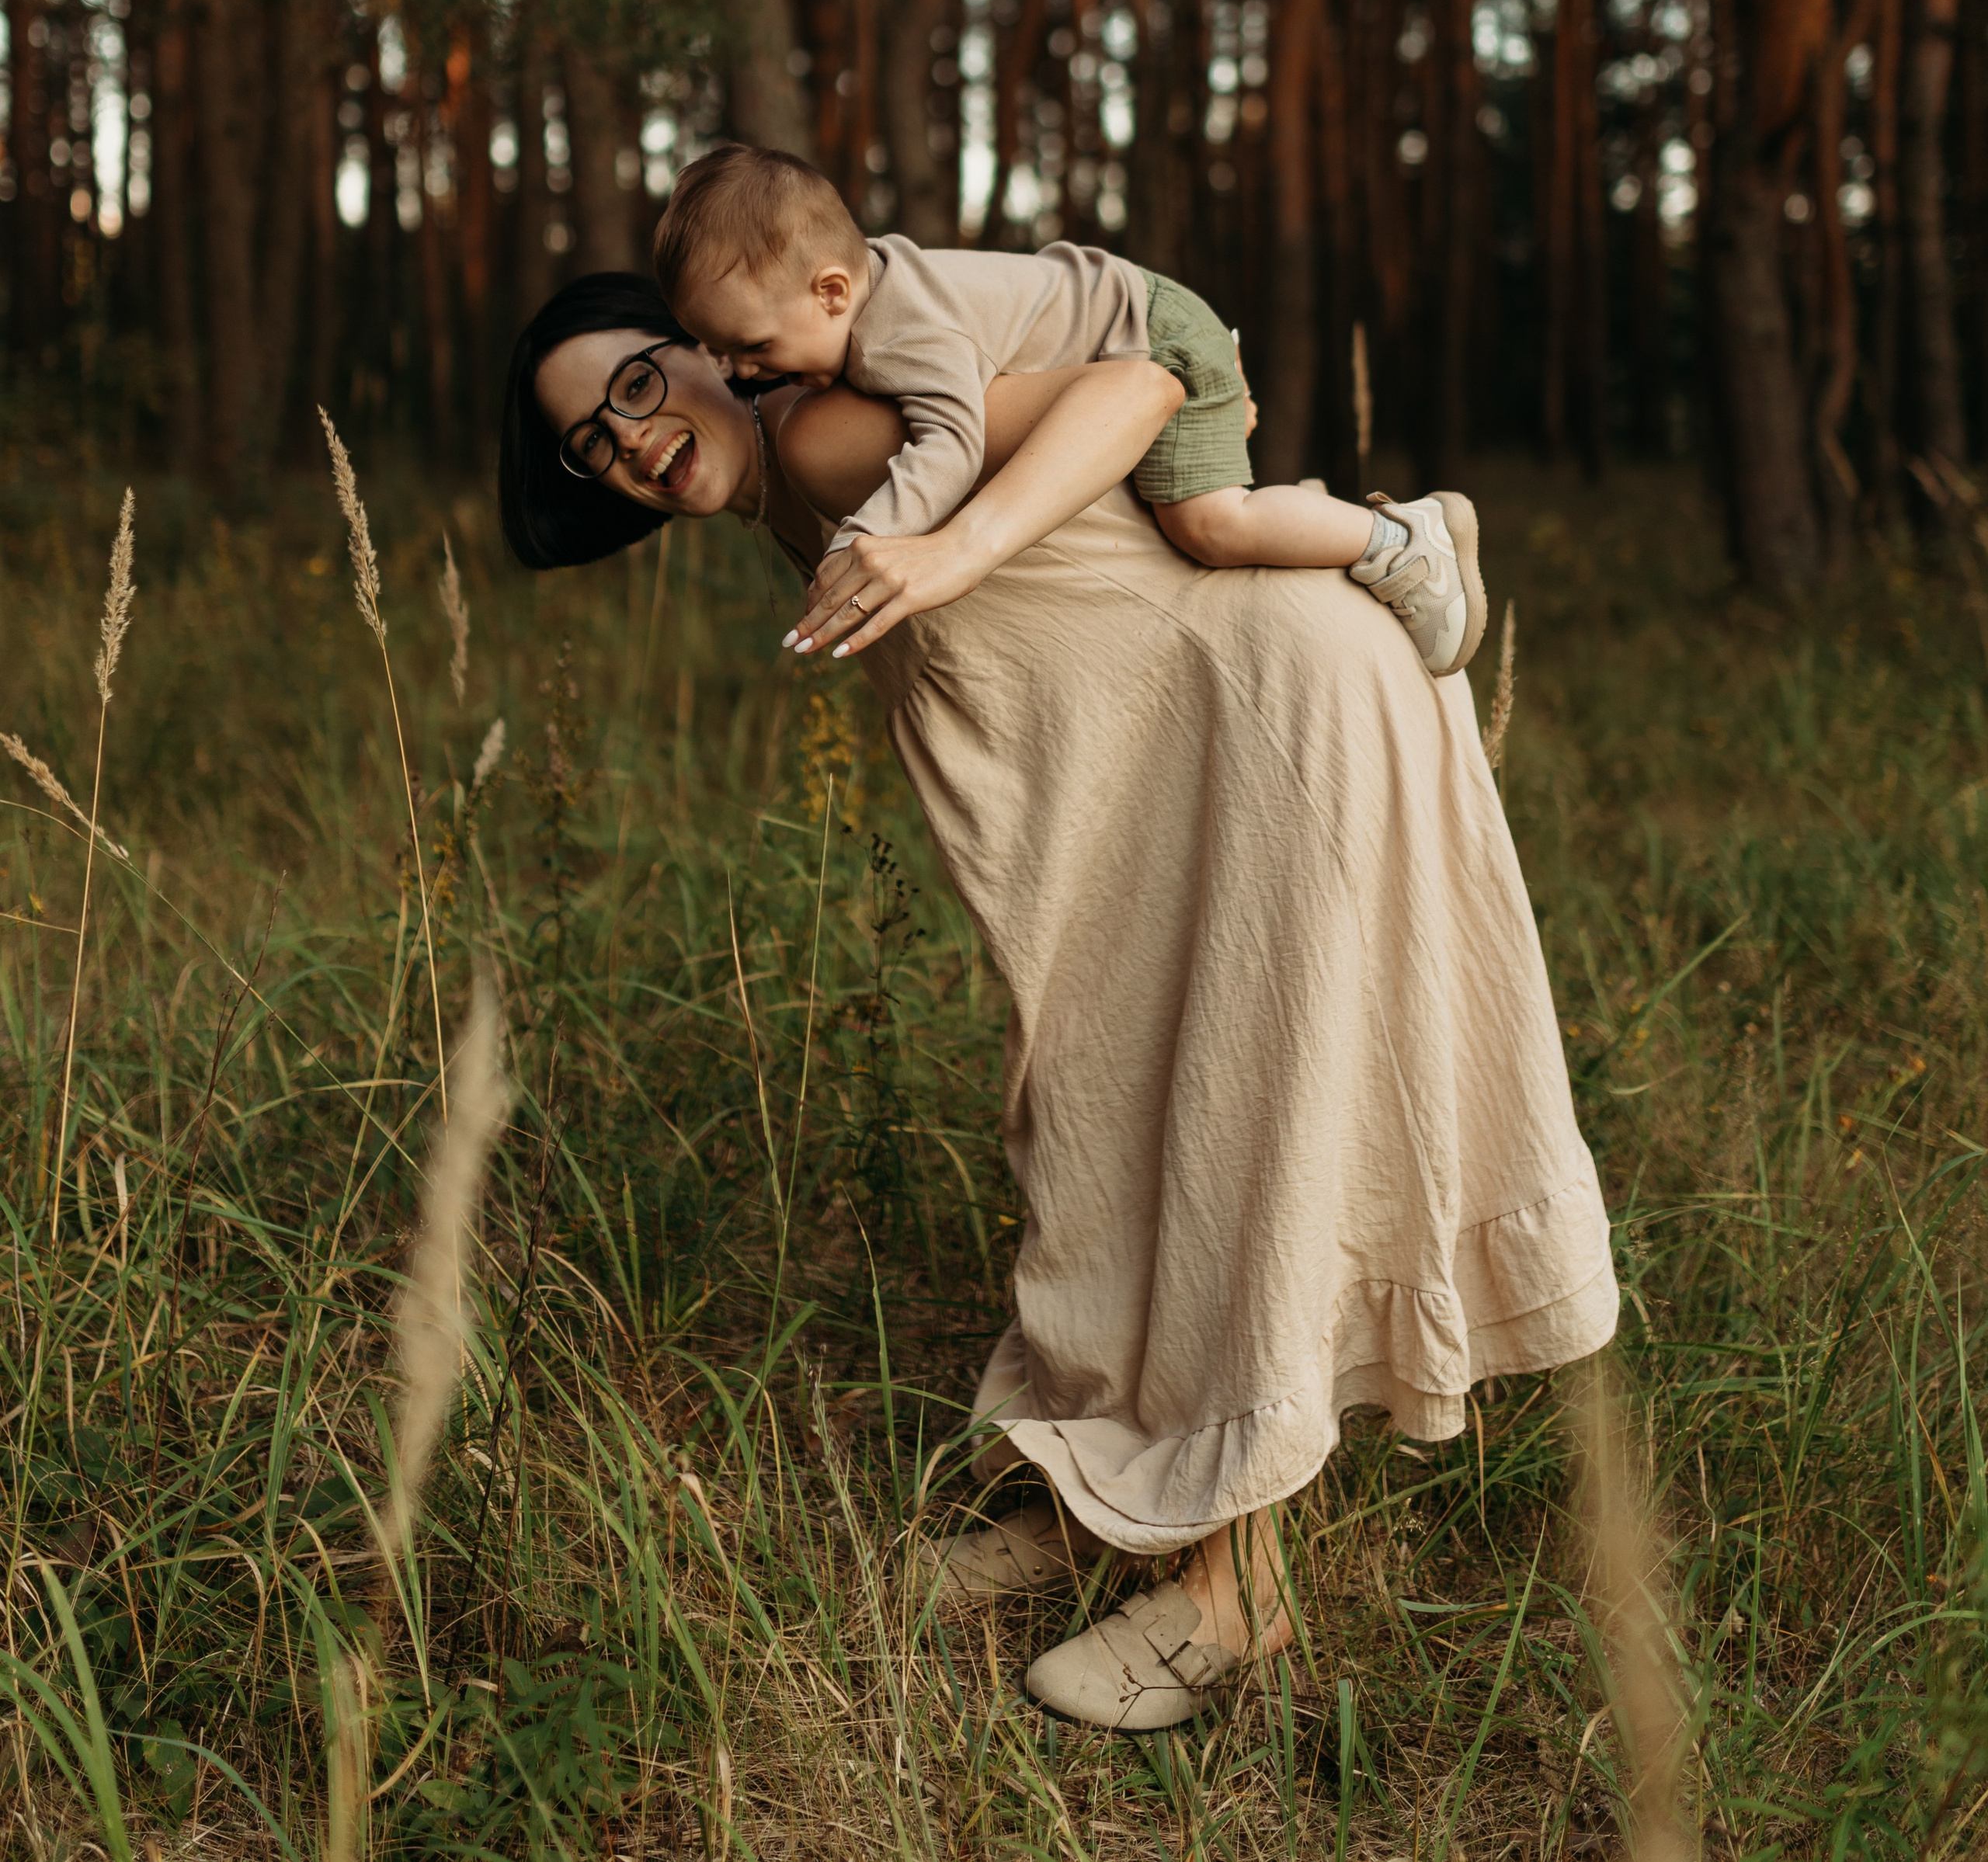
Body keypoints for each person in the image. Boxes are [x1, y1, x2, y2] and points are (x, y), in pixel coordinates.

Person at [500, 269, 1618, 1732]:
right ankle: (1104, 1496)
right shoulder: (784, 474)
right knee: (1091, 1122)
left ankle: (1237, 1592)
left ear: (709, 353)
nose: (628, 442)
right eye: (591, 440)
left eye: (636, 386)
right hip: (1154, 767)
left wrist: (952, 549)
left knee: (1227, 1125)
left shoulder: (831, 430)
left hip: (1264, 717)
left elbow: (1140, 387)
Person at [651, 143, 1487, 682]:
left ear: (832, 291)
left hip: (1158, 334)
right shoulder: (877, 290)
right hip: (1140, 310)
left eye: (750, 343)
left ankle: (1404, 542)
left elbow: (949, 439)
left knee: (1209, 523)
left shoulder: (898, 332)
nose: (739, 369)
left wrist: (870, 538)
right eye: (718, 351)